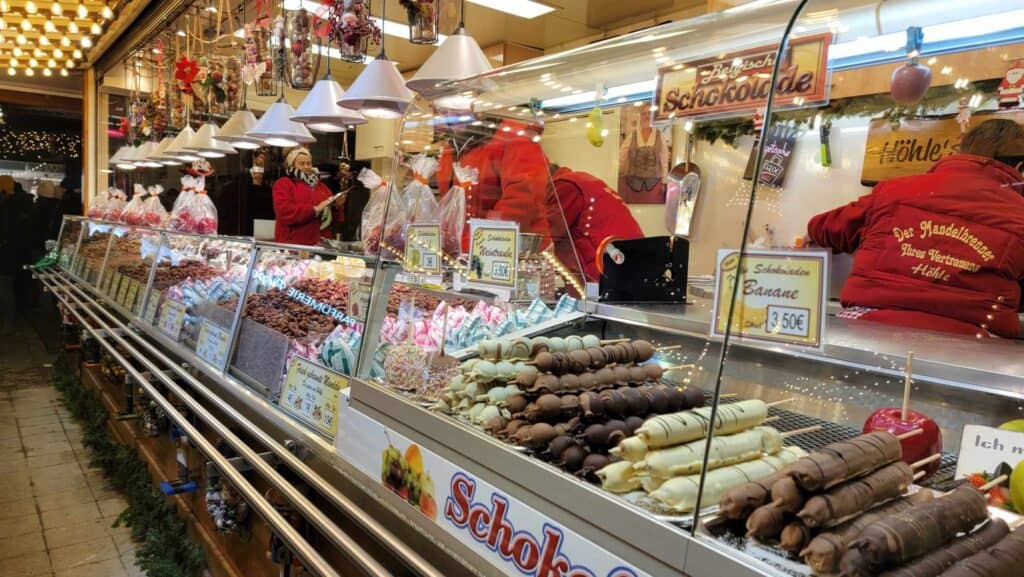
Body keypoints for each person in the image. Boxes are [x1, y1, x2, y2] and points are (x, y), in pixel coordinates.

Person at [807, 118, 1024, 338]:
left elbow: (821, 227)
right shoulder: (1019, 213)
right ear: (1019, 167)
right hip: (975, 339)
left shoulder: (893, 191)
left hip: (872, 324)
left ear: (961, 150)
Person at [435, 111, 551, 251]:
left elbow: (522, 202)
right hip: (471, 253)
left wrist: (468, 243)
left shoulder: (514, 137)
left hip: (514, 252)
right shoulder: (451, 148)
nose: (450, 112)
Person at [548, 164, 645, 282]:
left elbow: (546, 237)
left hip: (606, 273)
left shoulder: (565, 186)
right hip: (634, 264)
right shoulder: (583, 181)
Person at [272, 147, 344, 245]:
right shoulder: (283, 184)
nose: (306, 167)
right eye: (302, 164)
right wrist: (314, 210)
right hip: (293, 246)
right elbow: (283, 211)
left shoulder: (322, 187)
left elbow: (331, 220)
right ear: (291, 165)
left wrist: (336, 207)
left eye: (309, 163)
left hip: (321, 245)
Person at [0, 179, 36, 331]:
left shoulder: (6, 207)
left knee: (6, 287)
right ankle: (19, 314)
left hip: (6, 253)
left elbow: (5, 231)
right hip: (21, 252)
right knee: (15, 285)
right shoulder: (26, 205)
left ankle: (9, 321)